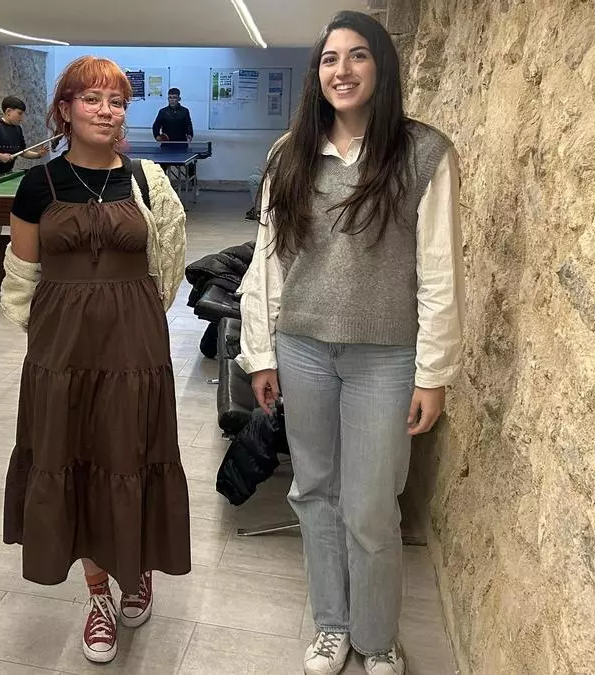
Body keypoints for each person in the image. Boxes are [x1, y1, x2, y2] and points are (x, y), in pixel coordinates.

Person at [237, 11, 464, 675]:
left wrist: (432, 372)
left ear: (381, 66)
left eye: (358, 55)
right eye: (330, 59)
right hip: (303, 348)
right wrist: (262, 353)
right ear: (317, 73)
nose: (342, 70)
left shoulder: (423, 153)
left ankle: (377, 636)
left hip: (384, 359)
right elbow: (269, 260)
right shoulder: (290, 155)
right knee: (314, 493)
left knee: (370, 508)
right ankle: (332, 626)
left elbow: (440, 270)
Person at [0, 55, 190, 665]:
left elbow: (168, 261)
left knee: (130, 452)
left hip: (135, 343)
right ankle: (98, 594)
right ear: (65, 109)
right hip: (62, 348)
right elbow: (22, 276)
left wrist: (140, 322)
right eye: (92, 99)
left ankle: (137, 570)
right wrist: (48, 344)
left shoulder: (146, 180)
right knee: (73, 456)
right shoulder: (38, 185)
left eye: (117, 102)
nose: (106, 112)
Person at [0, 95, 46, 180]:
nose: (22, 118)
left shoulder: (17, 129)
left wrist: (38, 155)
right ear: (8, 111)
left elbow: (22, 151)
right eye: (19, 113)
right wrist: (0, 156)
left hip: (8, 174)